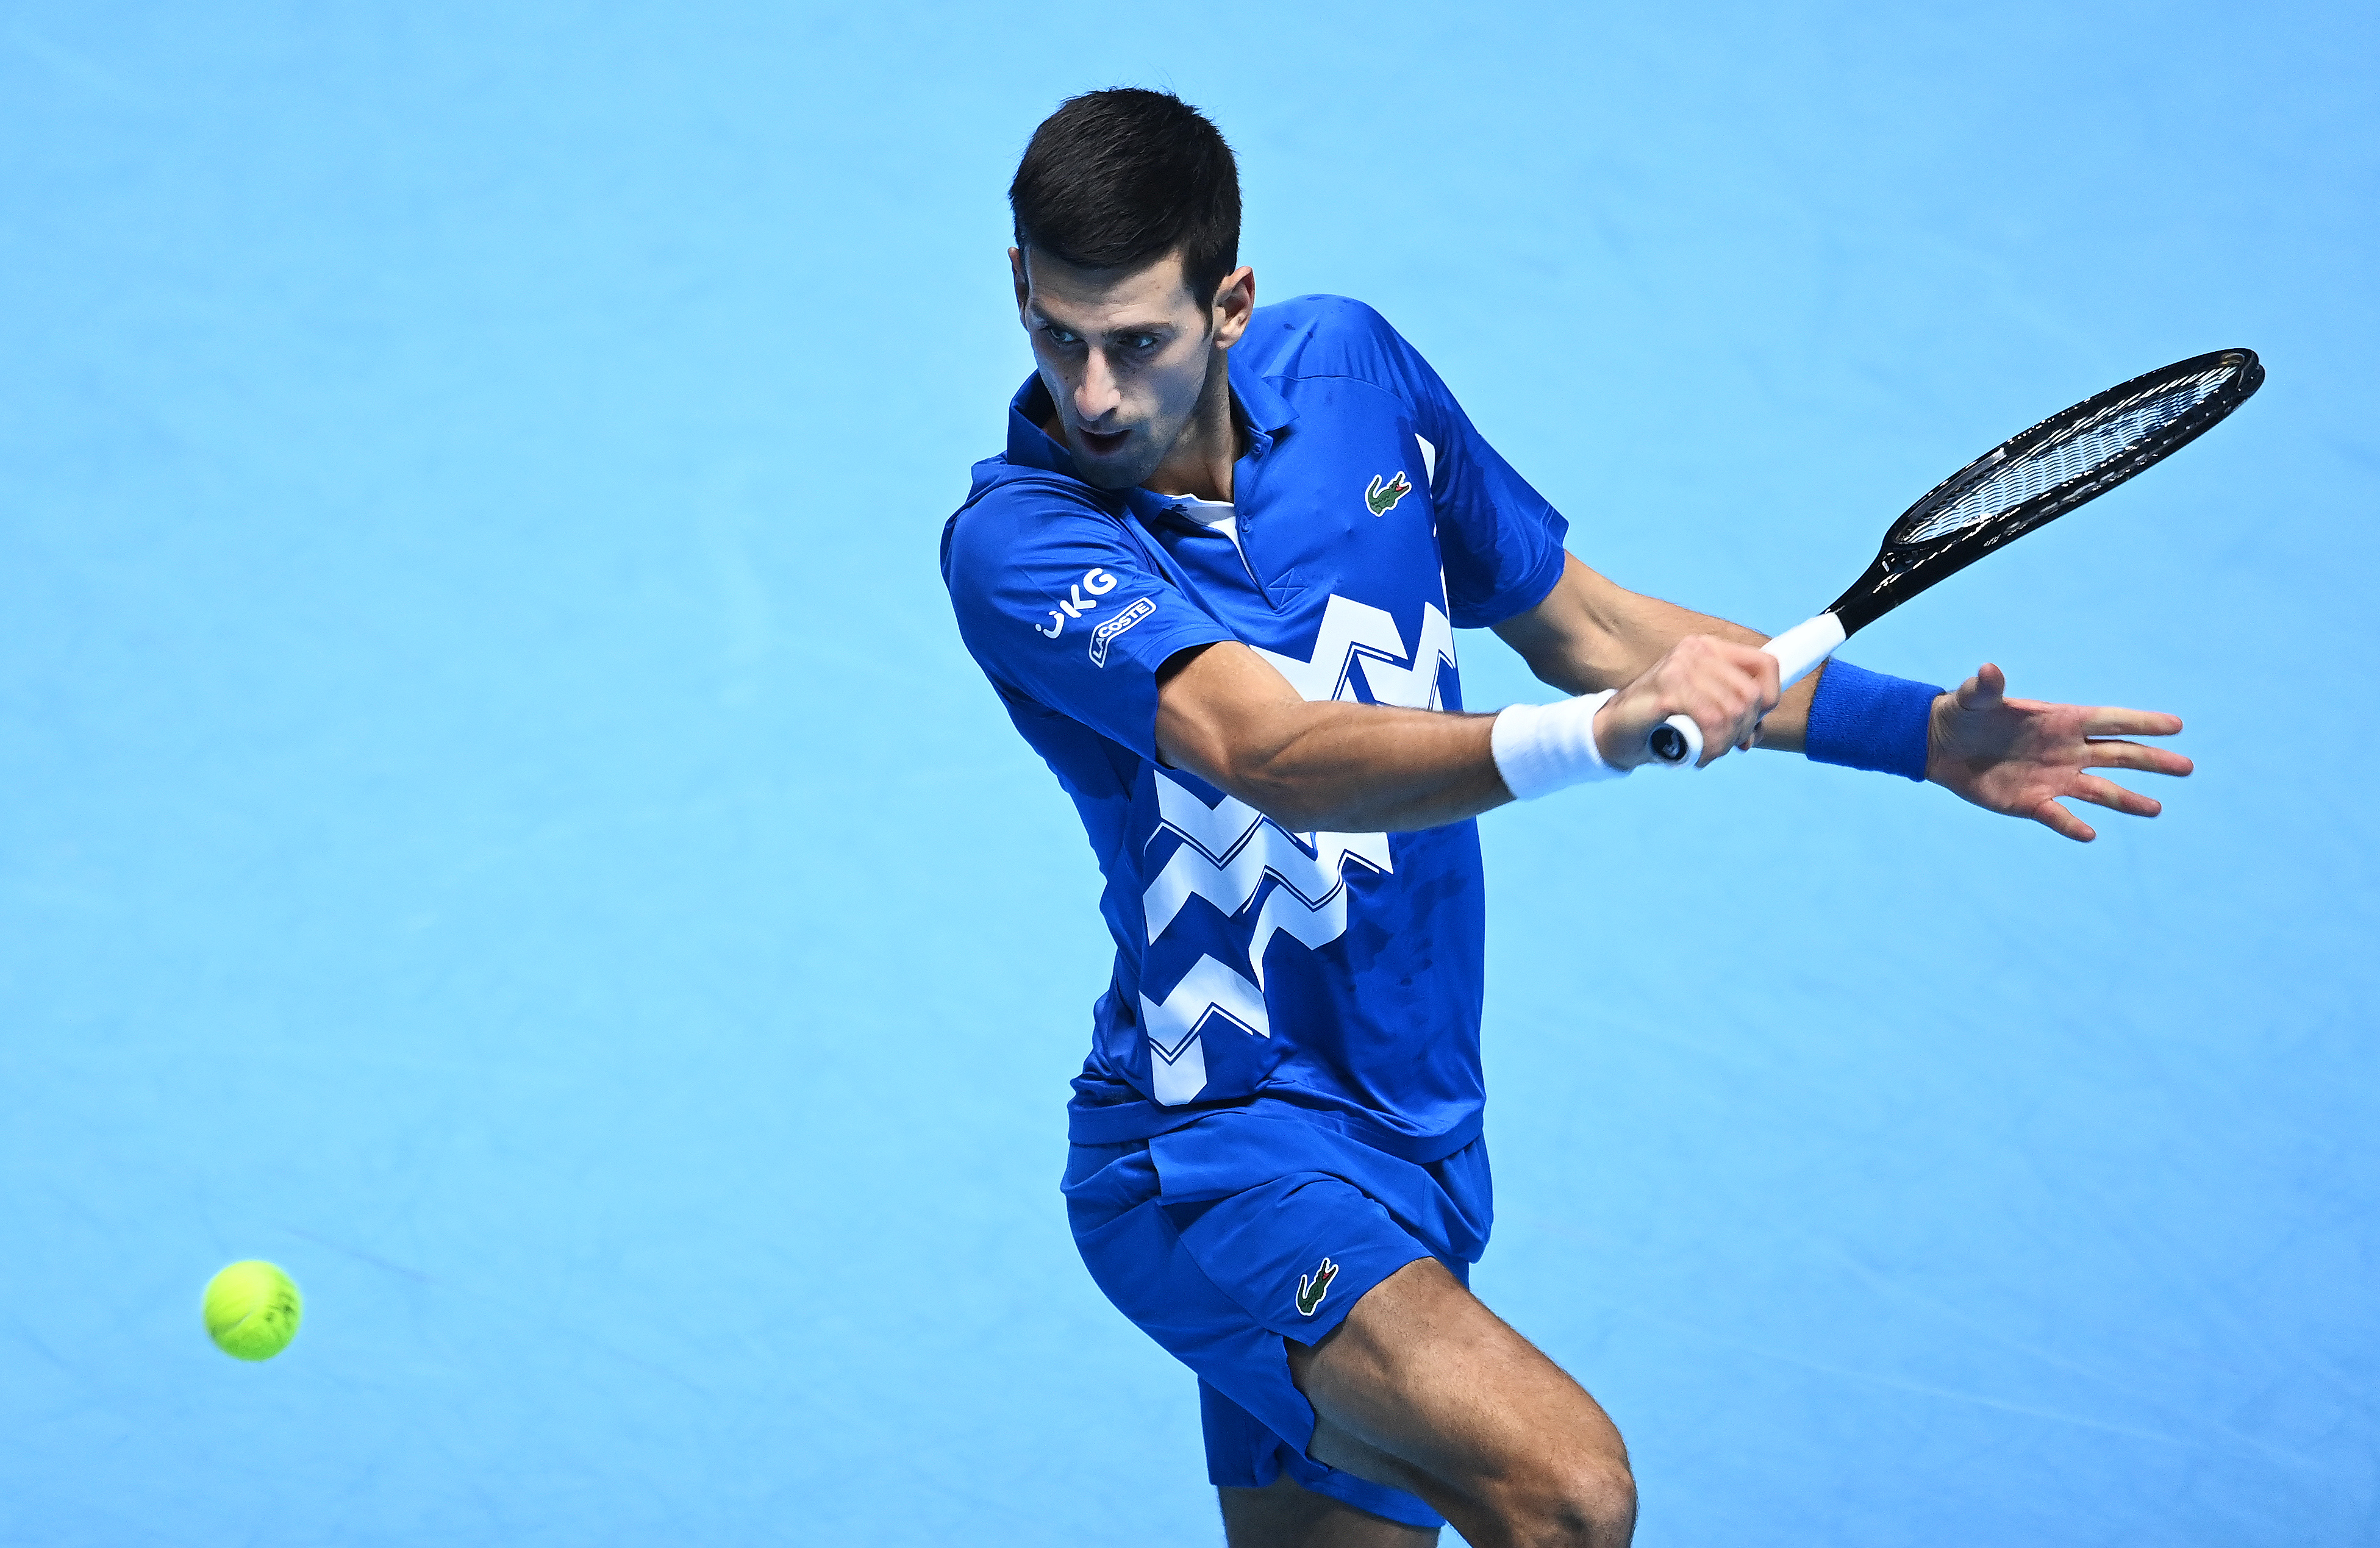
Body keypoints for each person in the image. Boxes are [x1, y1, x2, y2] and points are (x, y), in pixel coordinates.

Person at [938, 88, 2190, 1548]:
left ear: (1229, 304)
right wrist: (1585, 745)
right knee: (1566, 1494)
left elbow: (1588, 626)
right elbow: (1264, 747)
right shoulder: (1021, 544)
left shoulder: (1351, 373)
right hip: (1218, 1150)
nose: (1090, 393)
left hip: (1419, 1123)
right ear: (1019, 291)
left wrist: (1909, 731)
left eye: (1135, 342)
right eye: (1055, 336)